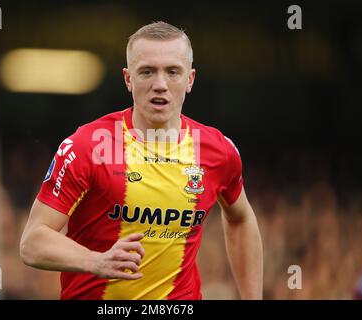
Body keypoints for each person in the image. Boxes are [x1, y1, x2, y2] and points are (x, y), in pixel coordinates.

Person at [20, 21, 263, 300]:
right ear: (128, 79)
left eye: (173, 72)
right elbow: (32, 241)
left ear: (190, 79)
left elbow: (241, 218)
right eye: (147, 71)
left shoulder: (219, 152)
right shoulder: (87, 146)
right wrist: (96, 262)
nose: (160, 85)